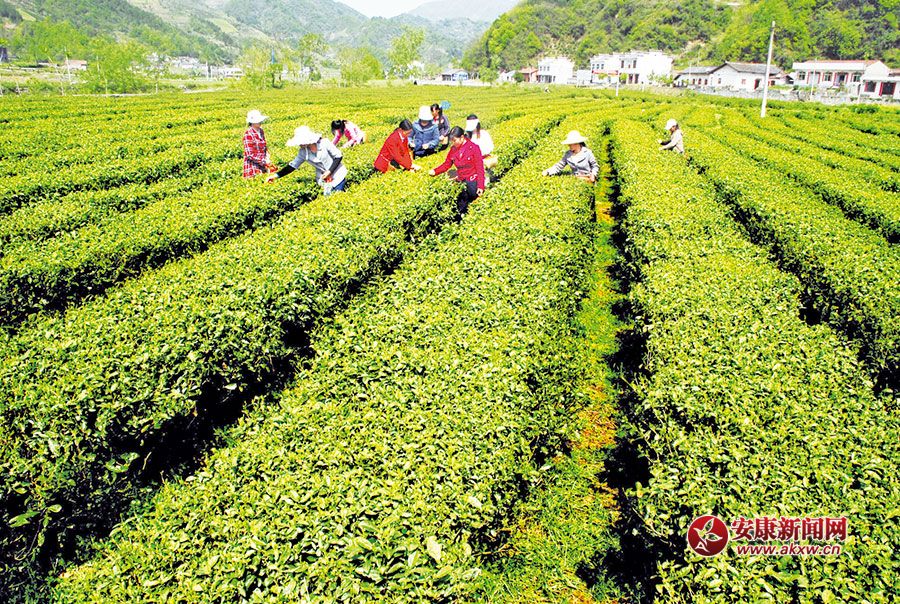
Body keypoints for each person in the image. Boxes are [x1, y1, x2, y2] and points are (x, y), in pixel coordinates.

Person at [266, 125, 347, 195]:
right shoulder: (303, 152)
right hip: (324, 179)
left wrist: (329, 171)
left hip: (337, 174)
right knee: (328, 197)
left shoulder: (324, 143)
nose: (299, 144)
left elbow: (338, 156)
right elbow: (292, 166)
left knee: (337, 194)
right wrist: (275, 176)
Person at [428, 126, 485, 217]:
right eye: (451, 141)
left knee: (473, 201)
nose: (453, 143)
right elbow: (447, 164)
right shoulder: (453, 150)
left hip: (472, 180)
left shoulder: (474, 148)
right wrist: (435, 171)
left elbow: (480, 168)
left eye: (454, 140)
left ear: (462, 137)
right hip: (461, 180)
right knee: (461, 207)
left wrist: (480, 186)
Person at [242, 109, 274, 178]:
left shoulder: (261, 131)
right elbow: (249, 154)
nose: (260, 122)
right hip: (252, 166)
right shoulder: (248, 134)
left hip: (263, 164)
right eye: (257, 121)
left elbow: (264, 147)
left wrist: (267, 157)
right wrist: (263, 161)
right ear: (252, 122)